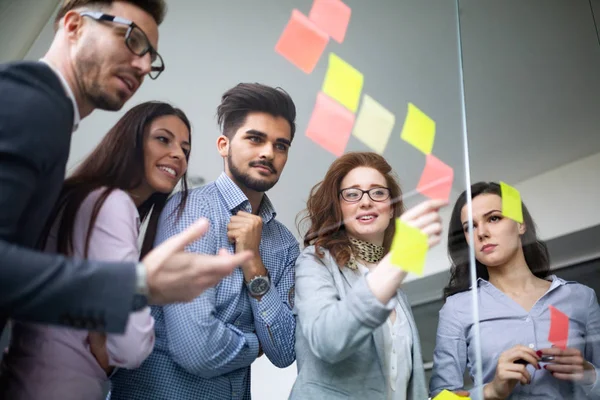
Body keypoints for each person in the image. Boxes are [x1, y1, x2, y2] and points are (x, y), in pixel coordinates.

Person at [0, 0, 250, 338]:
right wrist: (138, 284)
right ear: (74, 26)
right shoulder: (32, 100)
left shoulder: (49, 113)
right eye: (132, 39)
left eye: (151, 57)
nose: (144, 65)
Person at [109, 83, 300, 399]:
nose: (269, 152)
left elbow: (284, 351)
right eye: (255, 138)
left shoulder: (284, 244)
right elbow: (195, 349)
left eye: (281, 145)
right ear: (223, 145)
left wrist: (254, 264)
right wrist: (255, 345)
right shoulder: (191, 209)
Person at [0, 101, 193, 399]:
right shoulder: (114, 204)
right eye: (163, 139)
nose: (178, 154)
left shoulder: (80, 195)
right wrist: (104, 349)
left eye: (185, 149)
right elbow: (133, 346)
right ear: (131, 139)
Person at [290, 152, 446, 400]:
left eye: (378, 192)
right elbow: (327, 340)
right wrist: (397, 261)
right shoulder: (315, 261)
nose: (366, 202)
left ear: (392, 208)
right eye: (352, 194)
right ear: (339, 208)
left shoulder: (398, 293)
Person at [429, 181, 600, 399]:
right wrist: (491, 390)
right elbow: (439, 397)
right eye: (469, 227)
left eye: (494, 218)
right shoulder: (457, 309)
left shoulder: (580, 299)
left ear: (520, 224)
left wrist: (589, 374)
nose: (481, 233)